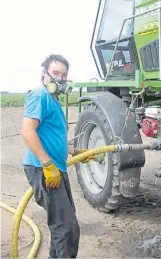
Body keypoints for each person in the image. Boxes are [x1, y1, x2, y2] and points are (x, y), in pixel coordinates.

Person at [21, 54, 88, 258]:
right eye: (56, 73)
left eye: (64, 75)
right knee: (66, 228)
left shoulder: (53, 100)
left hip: (55, 168)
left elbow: (53, 136)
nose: (60, 78)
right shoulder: (39, 96)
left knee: (64, 226)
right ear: (44, 74)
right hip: (43, 169)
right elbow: (27, 131)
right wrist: (47, 164)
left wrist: (74, 151)